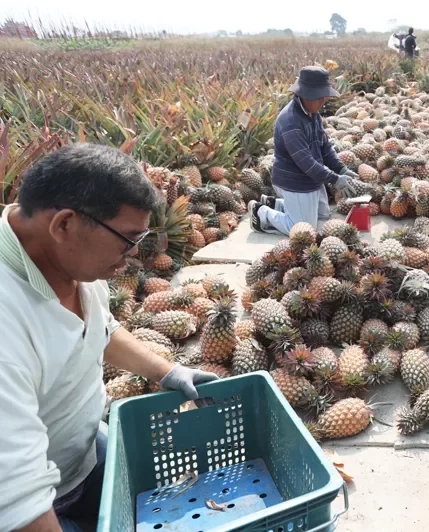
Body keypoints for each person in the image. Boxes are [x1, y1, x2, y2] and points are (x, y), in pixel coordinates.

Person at [0, 143, 219, 532]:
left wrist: (166, 371)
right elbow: (17, 501)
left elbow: (98, 329)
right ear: (64, 224)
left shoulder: (65, 259)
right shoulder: (7, 327)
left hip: (82, 455)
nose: (132, 255)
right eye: (129, 238)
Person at [249, 65, 357, 236]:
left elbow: (325, 147)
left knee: (323, 214)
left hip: (310, 178)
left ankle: (276, 205)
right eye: (320, 97)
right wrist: (335, 179)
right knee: (304, 230)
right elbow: (305, 162)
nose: (324, 101)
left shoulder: (313, 114)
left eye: (324, 96)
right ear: (306, 95)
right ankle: (262, 213)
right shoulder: (290, 122)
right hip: (294, 180)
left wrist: (341, 168)